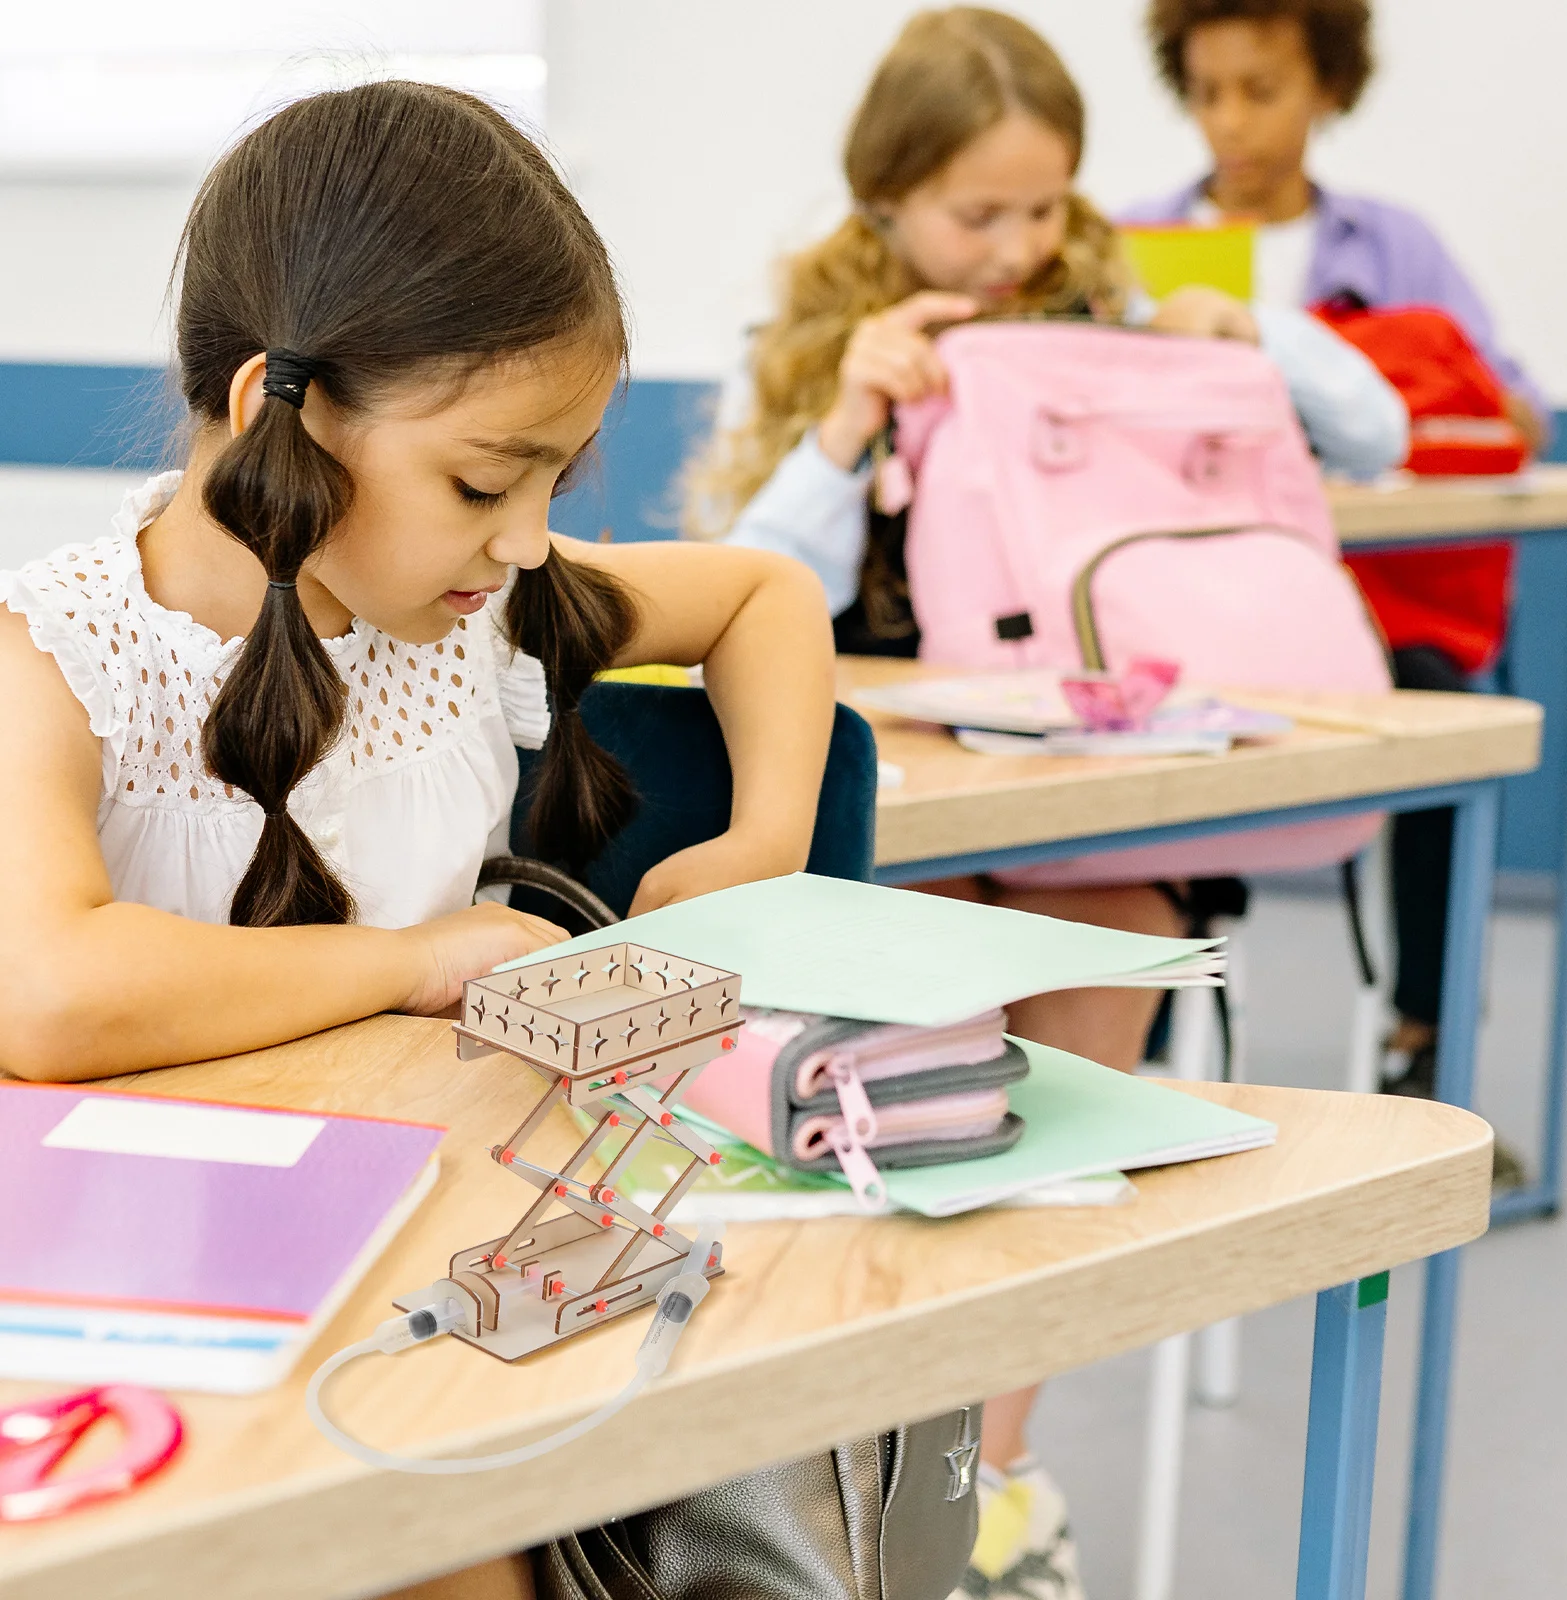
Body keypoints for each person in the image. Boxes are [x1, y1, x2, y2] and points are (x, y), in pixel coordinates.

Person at [0, 82, 834, 1600]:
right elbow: (53, 1000)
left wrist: (762, 837)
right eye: (480, 482)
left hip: (435, 1258)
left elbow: (768, 598)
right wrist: (411, 961)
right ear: (278, 413)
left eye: (548, 488)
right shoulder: (57, 652)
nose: (523, 540)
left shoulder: (476, 606)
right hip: (142, 1306)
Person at [686, 10, 1404, 1597]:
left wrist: (1242, 333)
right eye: (975, 214)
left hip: (1086, 796)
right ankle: (864, 1448)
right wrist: (848, 422)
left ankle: (984, 1469)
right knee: (911, 989)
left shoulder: (1119, 298)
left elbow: (1379, 437)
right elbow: (743, 584)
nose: (1018, 248)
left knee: (1114, 943)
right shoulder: (824, 333)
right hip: (901, 811)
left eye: (1042, 206)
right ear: (884, 203)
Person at [1127, 0, 1548, 1116]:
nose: (1230, 123)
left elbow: (1519, 418)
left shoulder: (1396, 248)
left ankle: (1427, 1038)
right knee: (1128, 731)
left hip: (1366, 615)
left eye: (1261, 90)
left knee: (1434, 713)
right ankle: (1141, 1036)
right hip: (1192, 615)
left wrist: (1364, 380)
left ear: (1328, 88)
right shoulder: (1130, 243)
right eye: (1208, 91)